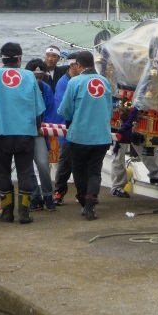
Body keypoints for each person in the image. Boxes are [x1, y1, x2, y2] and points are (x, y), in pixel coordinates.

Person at [0, 42, 44, 224]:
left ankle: (6, 212)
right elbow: (38, 107)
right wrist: (37, 126)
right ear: (19, 58)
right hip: (25, 132)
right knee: (25, 171)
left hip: (2, 132)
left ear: (2, 59)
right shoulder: (29, 76)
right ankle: (24, 213)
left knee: (3, 172)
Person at [57, 51, 112, 220]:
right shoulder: (104, 82)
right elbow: (109, 111)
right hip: (102, 136)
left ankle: (83, 202)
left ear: (78, 65)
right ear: (94, 65)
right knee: (95, 170)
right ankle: (90, 205)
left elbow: (65, 110)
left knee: (79, 169)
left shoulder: (75, 81)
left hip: (80, 135)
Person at [25, 58, 57, 211]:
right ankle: (35, 195)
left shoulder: (46, 89)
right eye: (34, 77)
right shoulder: (22, 88)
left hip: (40, 133)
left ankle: (48, 194)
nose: (37, 80)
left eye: (40, 76)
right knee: (27, 167)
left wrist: (43, 128)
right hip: (25, 132)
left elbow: (51, 112)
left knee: (43, 163)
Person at [52, 52, 79, 205]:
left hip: (79, 128)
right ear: (72, 66)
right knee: (65, 163)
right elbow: (63, 108)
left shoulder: (80, 80)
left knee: (81, 164)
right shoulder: (63, 83)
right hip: (67, 128)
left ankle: (84, 193)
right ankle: (59, 192)